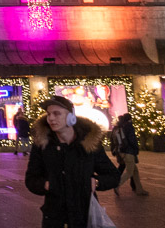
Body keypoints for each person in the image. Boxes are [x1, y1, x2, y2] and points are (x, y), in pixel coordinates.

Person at [25, 95, 120, 228]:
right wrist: (46, 184)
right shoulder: (43, 145)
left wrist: (96, 182)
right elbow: (30, 179)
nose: (51, 118)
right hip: (54, 217)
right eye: (49, 114)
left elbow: (114, 176)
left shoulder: (89, 144)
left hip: (84, 216)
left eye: (57, 113)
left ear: (71, 117)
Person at [113, 113, 148, 196]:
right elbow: (132, 139)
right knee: (129, 171)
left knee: (135, 171)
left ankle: (139, 189)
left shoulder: (119, 127)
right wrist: (136, 148)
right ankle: (117, 185)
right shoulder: (129, 127)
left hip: (123, 151)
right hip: (129, 151)